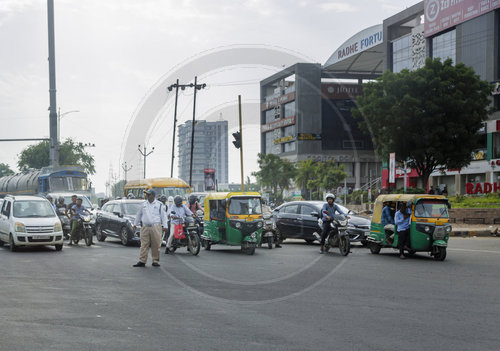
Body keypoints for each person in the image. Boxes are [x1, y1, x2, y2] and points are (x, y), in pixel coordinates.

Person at [132, 190, 168, 267]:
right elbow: (139, 214)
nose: (147, 196)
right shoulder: (143, 204)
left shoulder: (159, 204)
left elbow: (163, 216)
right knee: (144, 244)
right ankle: (142, 261)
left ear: (153, 196)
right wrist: (135, 224)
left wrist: (165, 226)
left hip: (155, 226)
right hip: (145, 227)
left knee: (156, 244)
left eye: (149, 194)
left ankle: (155, 260)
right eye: (147, 194)